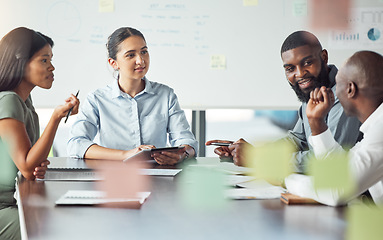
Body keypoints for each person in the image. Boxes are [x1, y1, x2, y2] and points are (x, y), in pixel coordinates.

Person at [206, 31, 361, 172]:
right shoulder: (314, 89)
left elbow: (328, 160)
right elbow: (298, 139)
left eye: (307, 63)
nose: (300, 74)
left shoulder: (345, 95)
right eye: (290, 69)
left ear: (324, 57)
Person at [67, 27, 197, 165]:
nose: (140, 61)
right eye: (130, 55)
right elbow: (76, 144)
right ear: (113, 63)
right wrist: (126, 154)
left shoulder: (166, 95)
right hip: (115, 177)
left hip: (158, 178)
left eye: (144, 52)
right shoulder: (97, 99)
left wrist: (183, 154)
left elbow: (187, 142)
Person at [0, 27, 79, 240]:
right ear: (21, 62)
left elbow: (30, 162)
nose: (52, 67)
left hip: (11, 203)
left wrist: (36, 162)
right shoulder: (9, 100)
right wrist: (55, 118)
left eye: (50, 60)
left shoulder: (25, 101)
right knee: (58, 229)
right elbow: (27, 167)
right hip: (2, 211)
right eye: (44, 60)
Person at [285, 51, 383, 206]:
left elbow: (336, 190)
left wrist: (286, 180)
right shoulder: (374, 129)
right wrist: (317, 123)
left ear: (350, 89)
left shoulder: (380, 131)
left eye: (337, 84)